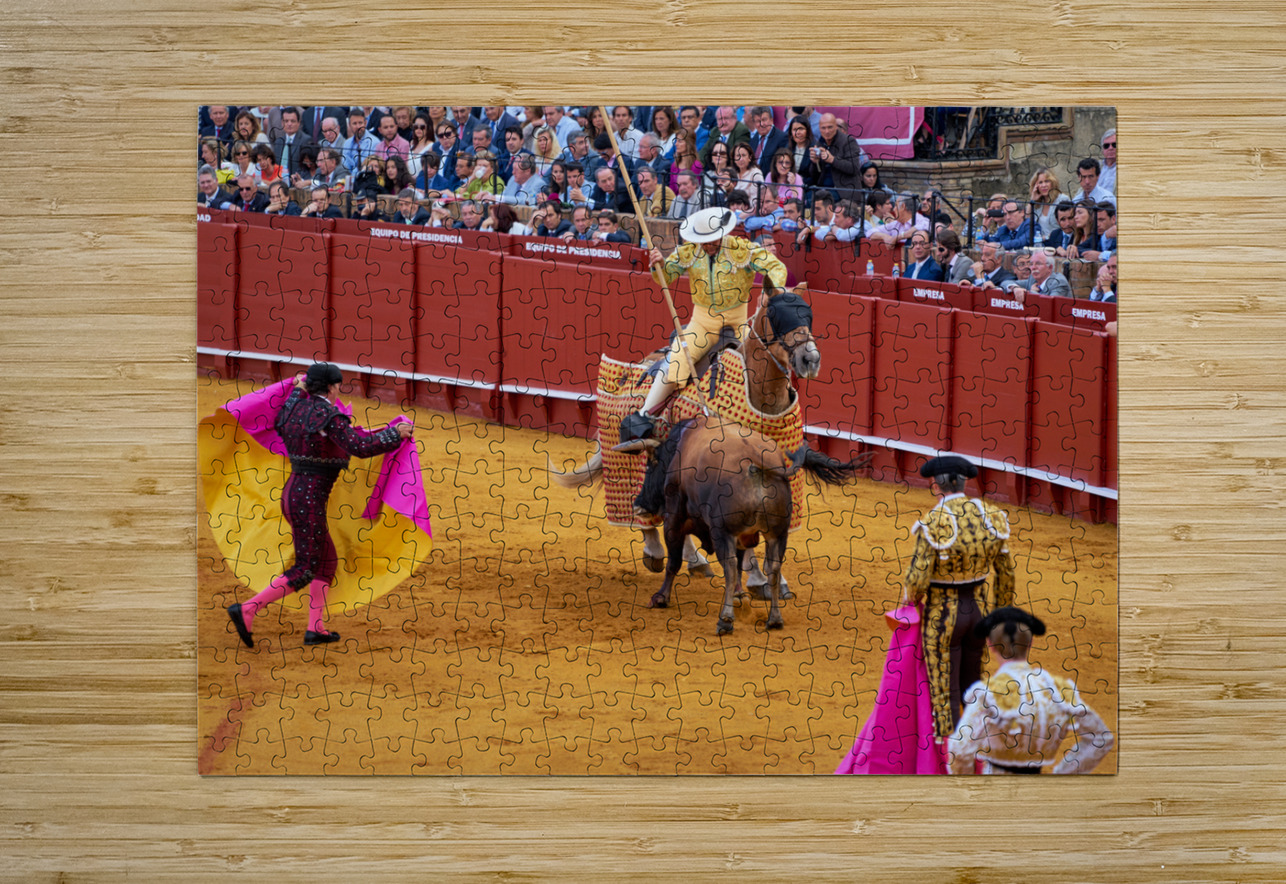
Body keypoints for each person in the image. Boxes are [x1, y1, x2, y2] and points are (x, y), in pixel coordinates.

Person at [226, 364, 413, 648]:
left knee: (326, 560)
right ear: (332, 387)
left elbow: (284, 414)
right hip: (309, 500)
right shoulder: (329, 416)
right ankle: (249, 608)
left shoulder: (293, 408)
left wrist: (298, 388)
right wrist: (394, 434)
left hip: (294, 495)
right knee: (305, 568)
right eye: (339, 385)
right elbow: (359, 447)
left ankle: (315, 629)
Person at [629, 207, 788, 428]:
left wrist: (770, 290)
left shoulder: (741, 249)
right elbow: (666, 278)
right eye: (704, 241)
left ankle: (781, 414)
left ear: (721, 234)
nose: (708, 245)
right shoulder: (689, 252)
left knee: (762, 361)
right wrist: (659, 265)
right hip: (703, 323)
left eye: (712, 240)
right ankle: (645, 416)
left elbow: (775, 267)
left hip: (738, 320)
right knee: (677, 361)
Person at [901, 454, 1016, 743]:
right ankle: (978, 739)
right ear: (964, 483)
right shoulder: (992, 516)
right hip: (979, 613)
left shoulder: (934, 521)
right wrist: (998, 614)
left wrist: (909, 600)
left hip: (944, 613)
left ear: (935, 486)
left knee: (943, 682)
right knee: (972, 679)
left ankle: (946, 747)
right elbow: (1006, 574)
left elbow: (918, 577)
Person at [947, 606, 1115, 774]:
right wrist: (1062, 775)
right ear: (1031, 643)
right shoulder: (1059, 689)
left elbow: (959, 748)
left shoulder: (987, 693)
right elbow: (1101, 738)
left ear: (990, 645)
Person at [812, 112, 865, 199]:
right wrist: (814, 162)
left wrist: (833, 160)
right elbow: (815, 176)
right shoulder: (819, 143)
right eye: (823, 128)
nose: (827, 131)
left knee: (820, 201)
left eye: (830, 127)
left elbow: (854, 167)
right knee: (806, 200)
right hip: (822, 188)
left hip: (843, 191)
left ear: (836, 126)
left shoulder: (848, 141)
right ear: (819, 129)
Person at [272, 107, 314, 179]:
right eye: (286, 121)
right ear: (282, 123)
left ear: (299, 123)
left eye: (293, 121)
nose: (289, 124)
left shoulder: (306, 140)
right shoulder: (278, 141)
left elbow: (306, 168)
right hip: (277, 181)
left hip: (296, 182)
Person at [747, 105, 787, 175]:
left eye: (764, 120)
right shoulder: (753, 139)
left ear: (771, 120)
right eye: (758, 121)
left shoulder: (782, 138)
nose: (761, 124)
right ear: (754, 123)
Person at [1028, 166, 1066, 240]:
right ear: (1036, 186)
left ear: (1052, 183)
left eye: (1046, 181)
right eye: (1040, 182)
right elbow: (1027, 222)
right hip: (1040, 245)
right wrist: (1032, 200)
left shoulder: (1062, 199)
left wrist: (1046, 238)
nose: (1044, 185)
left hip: (1056, 243)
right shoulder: (1037, 203)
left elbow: (1066, 227)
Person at [343, 109, 381, 178]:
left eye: (360, 123)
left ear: (365, 123)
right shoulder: (346, 143)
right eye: (354, 123)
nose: (358, 126)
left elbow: (368, 168)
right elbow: (345, 167)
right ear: (349, 125)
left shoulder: (375, 142)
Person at [729, 141, 765, 208]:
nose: (741, 159)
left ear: (750, 157)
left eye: (743, 155)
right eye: (738, 156)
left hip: (748, 212)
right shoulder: (732, 173)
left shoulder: (756, 173)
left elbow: (756, 201)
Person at [1098, 129, 1117, 194]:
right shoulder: (1096, 167)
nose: (1110, 148)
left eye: (1114, 145)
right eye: (1106, 146)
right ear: (1103, 149)